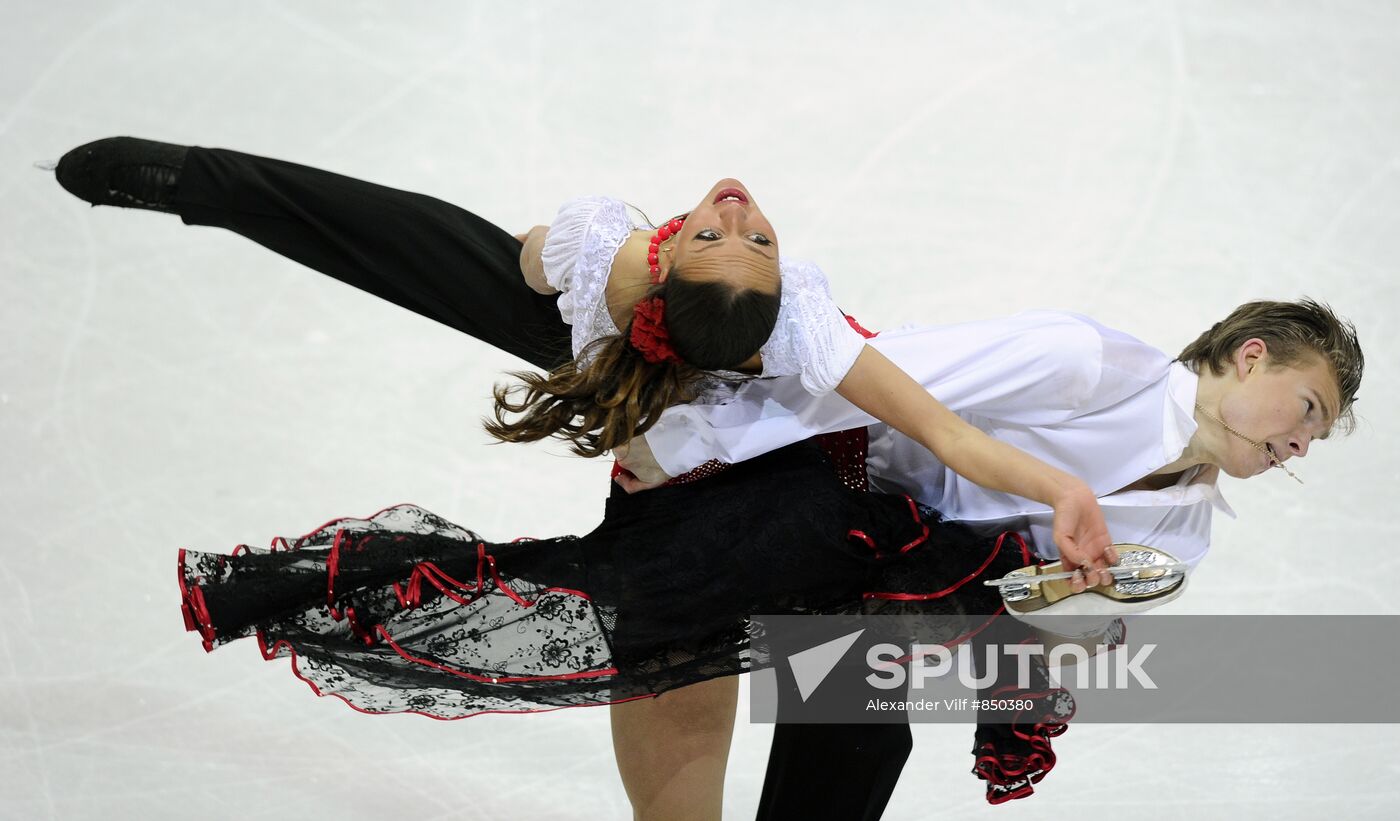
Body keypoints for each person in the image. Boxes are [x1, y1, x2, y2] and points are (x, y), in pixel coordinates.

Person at [54, 137, 1118, 820]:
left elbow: (941, 428)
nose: (736, 206)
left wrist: (1062, 493)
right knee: (437, 248)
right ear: (662, 266)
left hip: (781, 524)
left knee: (850, 698)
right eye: (727, 230)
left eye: (738, 231)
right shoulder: (609, 267)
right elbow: (468, 252)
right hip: (677, 538)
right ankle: (205, 182)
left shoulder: (788, 317)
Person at [614, 298, 1363, 816]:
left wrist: (1071, 629)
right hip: (802, 472)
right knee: (683, 698)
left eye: (1313, 442)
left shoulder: (1183, 533)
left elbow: (1042, 641)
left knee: (857, 729)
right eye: (1307, 411)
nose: (1299, 446)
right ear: (1251, 356)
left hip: (883, 583)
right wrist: (693, 440)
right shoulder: (1088, 361)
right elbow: (881, 375)